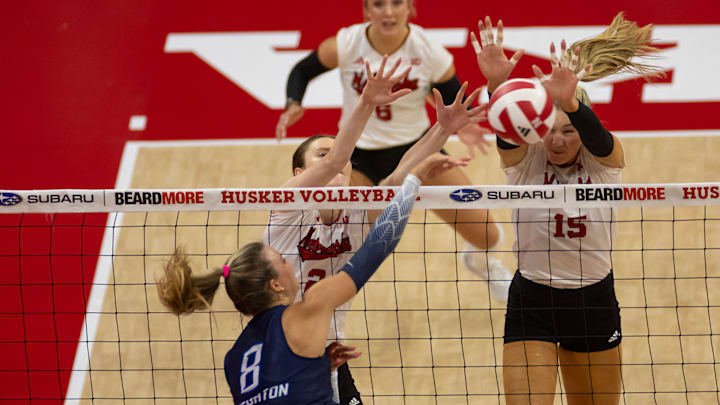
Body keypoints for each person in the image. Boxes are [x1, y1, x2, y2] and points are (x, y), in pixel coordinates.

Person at [267, 55, 486, 405]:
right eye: (320, 157)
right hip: (281, 353)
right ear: (298, 174)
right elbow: (339, 155)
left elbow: (399, 176)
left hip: (330, 354)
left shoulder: (358, 211)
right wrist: (366, 102)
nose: (336, 164)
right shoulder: (286, 207)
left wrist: (442, 129)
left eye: (341, 163)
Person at [470, 14, 662, 405]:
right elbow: (509, 130)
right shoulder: (525, 163)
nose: (556, 141)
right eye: (548, 131)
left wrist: (570, 101)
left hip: (593, 304)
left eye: (568, 131)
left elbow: (599, 137)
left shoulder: (604, 165)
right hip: (532, 304)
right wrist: (497, 85)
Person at [276, 0, 513, 302]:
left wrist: (463, 126)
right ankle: (306, 295)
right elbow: (302, 70)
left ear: (410, 9)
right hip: (355, 158)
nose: (388, 11)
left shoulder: (428, 50)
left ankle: (487, 266)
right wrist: (293, 102)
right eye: (378, 4)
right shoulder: (347, 43)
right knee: (333, 237)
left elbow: (452, 99)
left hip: (416, 150)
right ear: (367, 11)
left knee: (488, 236)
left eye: (396, 3)